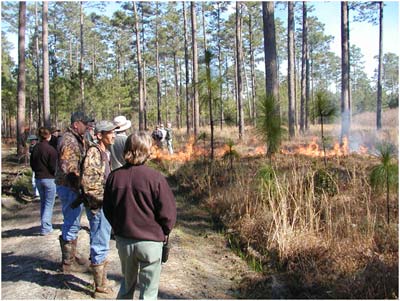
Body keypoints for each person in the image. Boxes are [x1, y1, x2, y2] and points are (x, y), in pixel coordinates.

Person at [103, 132, 177, 299]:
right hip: (150, 242)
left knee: (127, 285)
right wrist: (164, 231)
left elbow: (107, 209)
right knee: (148, 292)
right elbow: (168, 213)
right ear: (147, 151)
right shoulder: (155, 178)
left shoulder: (114, 177)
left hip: (124, 240)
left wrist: (118, 227)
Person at [81, 120, 119, 298]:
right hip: (98, 206)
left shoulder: (104, 152)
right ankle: (100, 288)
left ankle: (101, 281)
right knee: (99, 243)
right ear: (99, 135)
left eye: (114, 132)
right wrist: (101, 203)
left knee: (102, 242)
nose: (113, 135)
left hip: (103, 205)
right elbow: (88, 184)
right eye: (109, 132)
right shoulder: (94, 153)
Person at [55, 111, 94, 273]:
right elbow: (69, 169)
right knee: (71, 222)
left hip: (73, 186)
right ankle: (68, 262)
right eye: (84, 124)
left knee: (74, 222)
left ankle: (71, 256)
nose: (87, 127)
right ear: (76, 124)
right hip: (70, 187)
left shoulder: (78, 139)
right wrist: (79, 186)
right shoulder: (69, 141)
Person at [30, 127, 58, 235]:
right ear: (49, 136)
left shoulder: (35, 148)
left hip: (38, 178)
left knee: (43, 202)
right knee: (48, 204)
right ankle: (46, 227)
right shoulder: (51, 150)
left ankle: (44, 225)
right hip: (49, 179)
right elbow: (53, 167)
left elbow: (32, 164)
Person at [28, 134, 40, 200]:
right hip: (34, 166)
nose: (32, 141)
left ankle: (38, 193)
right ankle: (36, 193)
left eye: (33, 140)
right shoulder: (31, 147)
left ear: (36, 140)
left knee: (36, 180)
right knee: (33, 181)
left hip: (39, 166)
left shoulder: (38, 147)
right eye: (31, 140)